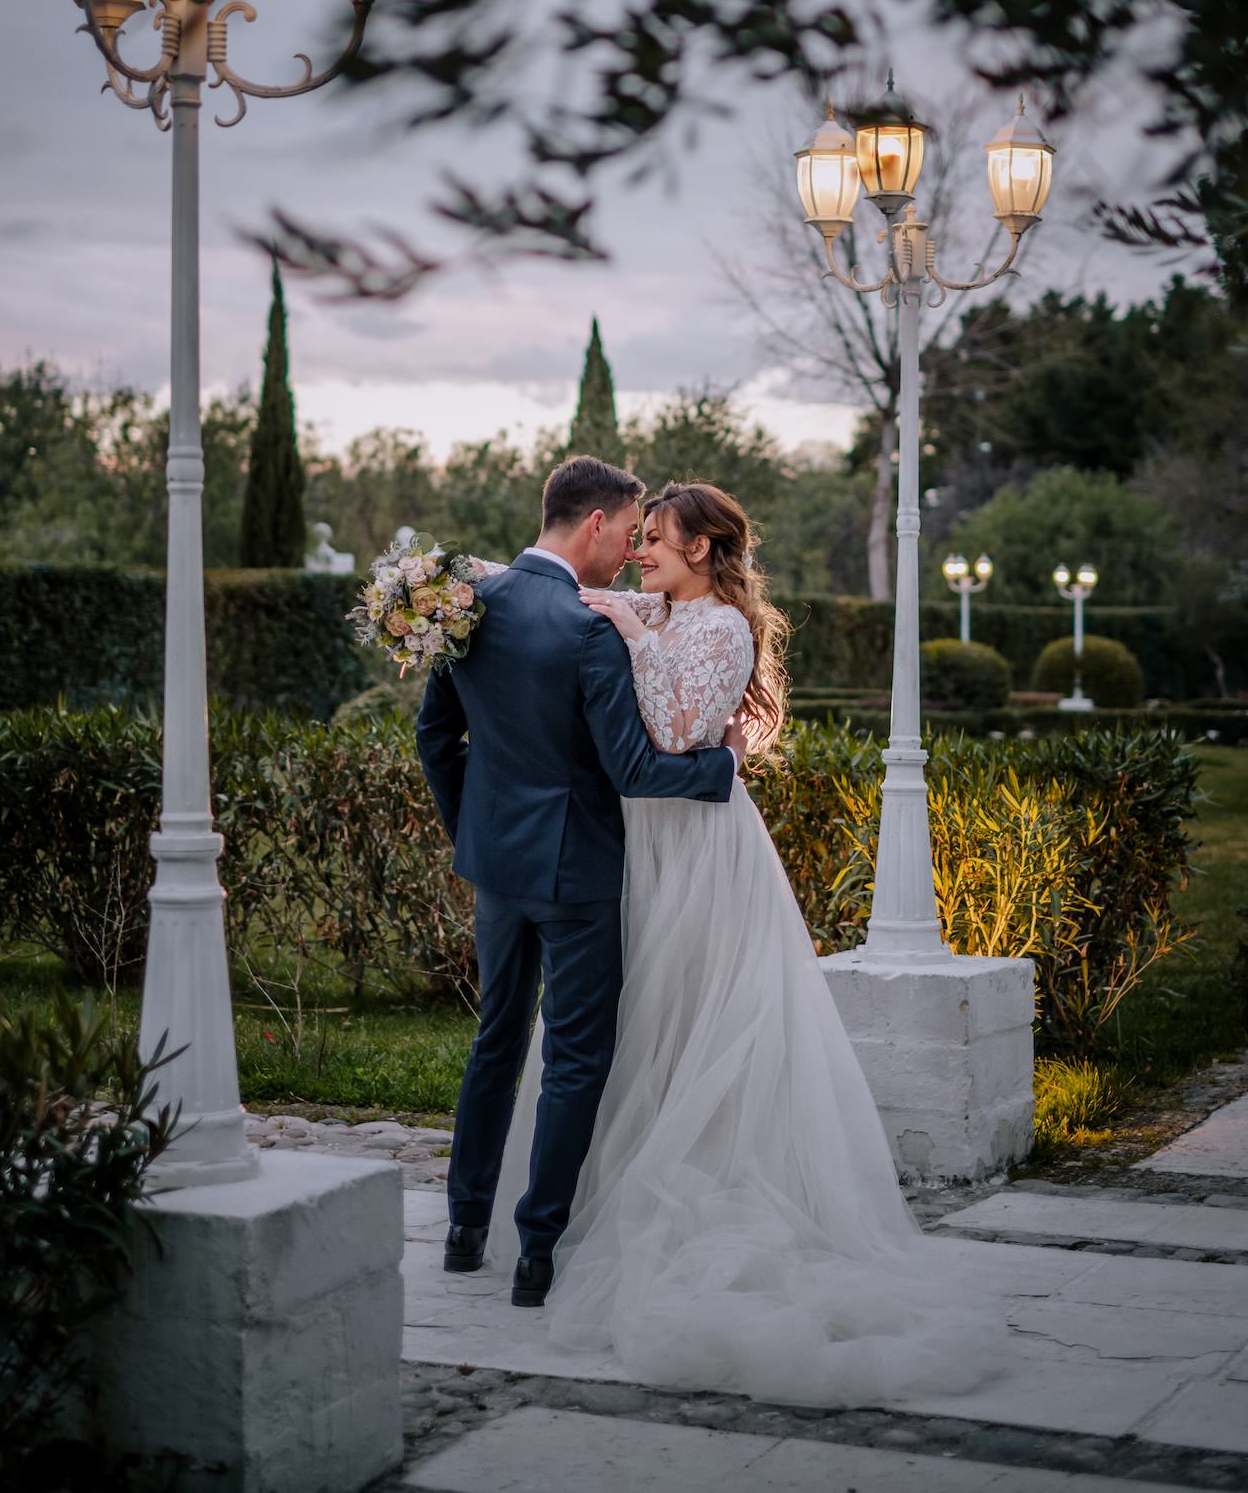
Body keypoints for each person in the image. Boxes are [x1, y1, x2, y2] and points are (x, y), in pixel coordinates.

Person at [483, 479, 1012, 1408]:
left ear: (701, 549)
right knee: (633, 1022)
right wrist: (453, 589)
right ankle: (589, 1202)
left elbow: (677, 733)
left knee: (695, 1018)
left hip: (699, 847)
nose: (640, 551)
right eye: (639, 536)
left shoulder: (722, 628)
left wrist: (636, 637)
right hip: (638, 844)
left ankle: (705, 1191)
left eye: (657, 539)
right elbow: (552, 589)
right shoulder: (652, 606)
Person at [415, 456, 747, 1309]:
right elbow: (634, 768)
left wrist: (473, 833)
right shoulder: (588, 629)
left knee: (495, 1042)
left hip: (496, 870)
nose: (632, 551)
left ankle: (463, 1230)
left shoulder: (466, 607)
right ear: (596, 523)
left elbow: (434, 738)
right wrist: (721, 768)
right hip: (579, 874)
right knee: (574, 1057)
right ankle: (536, 1252)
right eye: (631, 532)